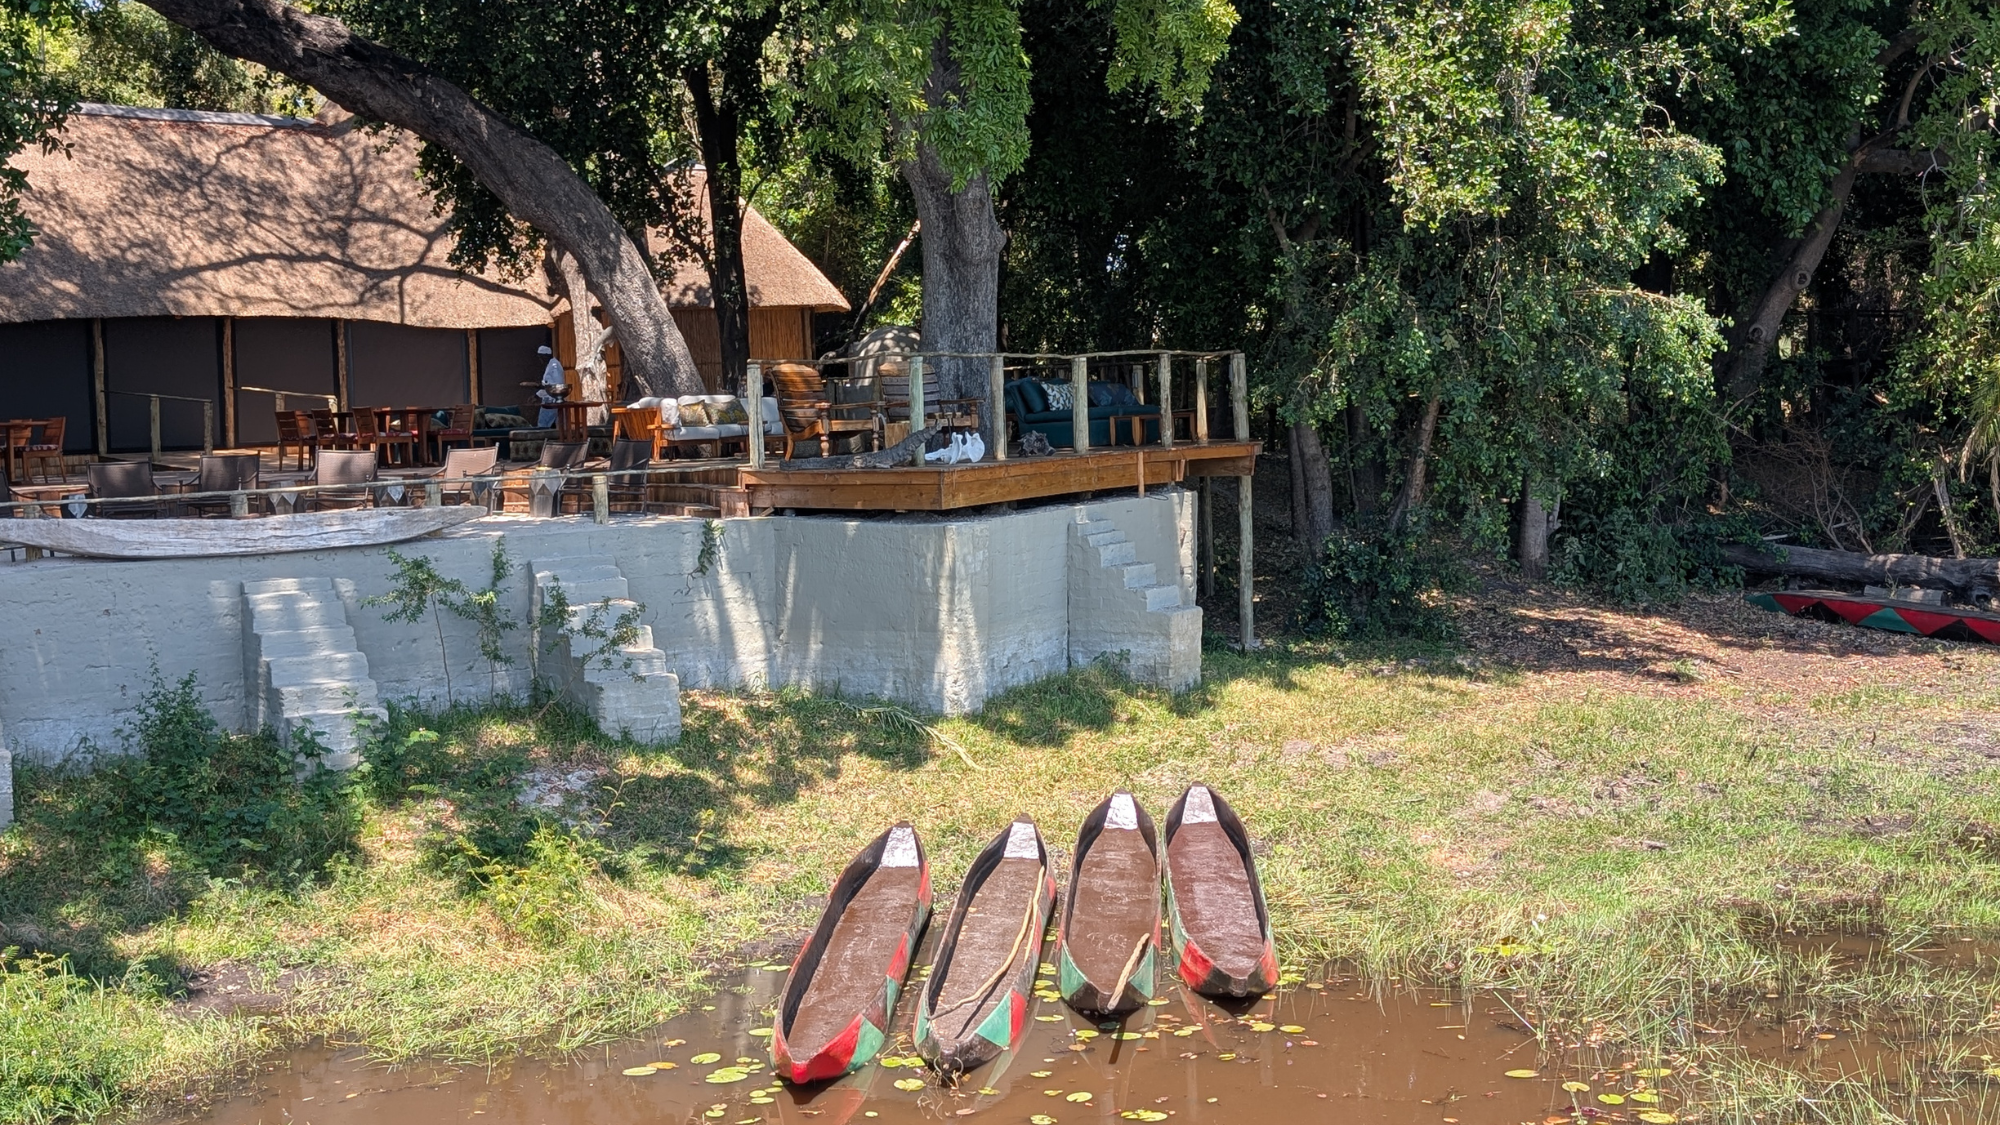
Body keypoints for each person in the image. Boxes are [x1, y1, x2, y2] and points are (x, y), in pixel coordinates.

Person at [534, 345, 567, 428]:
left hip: (553, 400)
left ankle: (542, 439)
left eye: (541, 357)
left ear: (545, 355)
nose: (540, 359)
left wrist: (542, 386)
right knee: (558, 425)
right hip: (550, 398)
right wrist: (537, 395)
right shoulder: (549, 365)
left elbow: (557, 384)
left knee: (543, 424)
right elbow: (547, 385)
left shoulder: (554, 365)